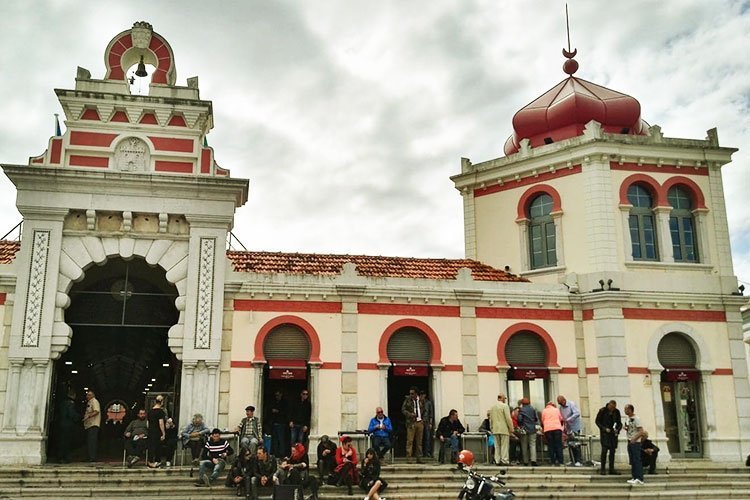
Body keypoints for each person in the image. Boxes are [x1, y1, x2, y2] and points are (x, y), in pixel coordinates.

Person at [595, 400, 623, 475]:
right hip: (605, 434)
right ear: (609, 405)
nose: (612, 409)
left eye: (614, 408)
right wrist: (604, 428)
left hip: (613, 434)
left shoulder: (617, 412)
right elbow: (597, 421)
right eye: (611, 407)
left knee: (612, 452)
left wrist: (618, 429)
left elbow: (619, 423)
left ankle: (611, 469)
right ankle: (603, 469)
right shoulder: (602, 411)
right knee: (604, 451)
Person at [401, 386, 425, 463]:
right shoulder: (407, 400)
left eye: (412, 393)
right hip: (411, 423)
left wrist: (423, 420)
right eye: (410, 393)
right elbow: (403, 410)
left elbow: (424, 410)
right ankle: (409, 458)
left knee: (419, 442)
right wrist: (410, 414)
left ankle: (419, 458)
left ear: (416, 394)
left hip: (419, 422)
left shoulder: (421, 400)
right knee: (410, 441)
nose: (411, 395)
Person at [557, 395, 583, 466]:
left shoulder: (571, 404)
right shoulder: (560, 408)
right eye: (559, 403)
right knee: (570, 444)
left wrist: (568, 419)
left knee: (576, 444)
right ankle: (572, 460)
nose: (560, 405)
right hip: (568, 428)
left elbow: (577, 413)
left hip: (575, 427)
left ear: (564, 400)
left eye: (560, 403)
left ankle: (578, 460)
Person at [489, 393, 514, 466]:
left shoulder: (492, 407)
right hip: (503, 429)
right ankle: (504, 460)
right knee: (504, 445)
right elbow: (508, 418)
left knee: (497, 445)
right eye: (504, 398)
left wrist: (491, 428)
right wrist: (511, 428)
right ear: (502, 398)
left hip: (495, 429)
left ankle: (497, 460)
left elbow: (491, 419)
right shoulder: (505, 406)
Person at [55, 388, 78, 463]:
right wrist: (78, 417)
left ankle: (59, 457)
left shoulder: (62, 403)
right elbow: (71, 414)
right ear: (73, 395)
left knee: (61, 441)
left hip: (61, 424)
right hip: (68, 425)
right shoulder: (70, 403)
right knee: (66, 441)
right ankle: (65, 458)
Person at [624, 404, 645, 485]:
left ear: (630, 410)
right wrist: (626, 428)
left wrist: (635, 438)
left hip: (635, 442)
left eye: (626, 409)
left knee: (637, 460)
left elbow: (641, 431)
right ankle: (634, 477)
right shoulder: (628, 419)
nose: (625, 411)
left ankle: (639, 478)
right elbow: (630, 428)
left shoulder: (636, 419)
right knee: (632, 460)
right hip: (629, 440)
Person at [541, 401, 564, 466]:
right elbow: (561, 419)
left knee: (551, 445)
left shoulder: (544, 411)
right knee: (558, 445)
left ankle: (552, 462)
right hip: (557, 429)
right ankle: (561, 462)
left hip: (548, 430)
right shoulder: (556, 410)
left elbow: (542, 420)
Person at [517, 398, 538, 466]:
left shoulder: (521, 410)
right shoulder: (533, 409)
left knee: (524, 445)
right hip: (532, 429)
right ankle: (533, 461)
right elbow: (536, 418)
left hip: (524, 429)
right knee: (533, 445)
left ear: (522, 404)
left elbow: (519, 419)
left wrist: (521, 425)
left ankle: (525, 461)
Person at [147, 394, 167, 468]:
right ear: (161, 402)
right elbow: (161, 423)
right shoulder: (160, 412)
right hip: (157, 431)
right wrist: (163, 433)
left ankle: (150, 461)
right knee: (158, 446)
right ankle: (157, 461)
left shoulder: (150, 412)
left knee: (151, 446)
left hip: (151, 430)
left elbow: (147, 423)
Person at [82, 389, 101, 462]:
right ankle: (89, 456)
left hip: (93, 424)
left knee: (92, 441)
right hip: (89, 425)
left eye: (89, 395)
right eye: (87, 395)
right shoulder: (89, 402)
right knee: (89, 441)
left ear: (93, 395)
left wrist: (88, 416)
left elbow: (96, 411)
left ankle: (92, 457)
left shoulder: (94, 401)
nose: (87, 396)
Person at [270, 390, 288, 457]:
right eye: (276, 395)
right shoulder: (274, 402)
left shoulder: (284, 403)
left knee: (281, 440)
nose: (277, 397)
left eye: (278, 395)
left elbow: (285, 412)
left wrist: (278, 411)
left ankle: (282, 454)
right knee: (275, 440)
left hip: (281, 423)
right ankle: (275, 454)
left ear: (281, 395)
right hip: (274, 423)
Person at [420, 390, 434, 458]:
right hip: (419, 422)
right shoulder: (418, 402)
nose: (421, 396)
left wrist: (431, 423)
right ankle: (420, 453)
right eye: (420, 395)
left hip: (427, 422)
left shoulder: (428, 403)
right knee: (420, 438)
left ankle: (427, 452)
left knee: (427, 437)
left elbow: (431, 413)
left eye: (423, 395)